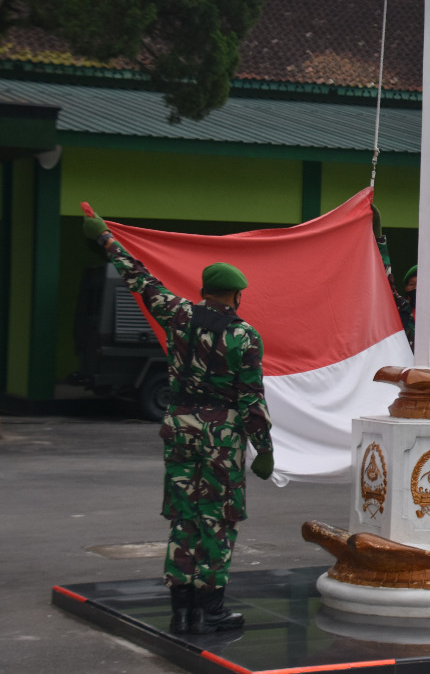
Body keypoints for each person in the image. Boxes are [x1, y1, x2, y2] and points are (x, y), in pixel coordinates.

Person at [82, 208, 273, 635]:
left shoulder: (178, 314)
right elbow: (251, 396)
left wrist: (104, 238)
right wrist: (265, 448)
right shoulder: (245, 336)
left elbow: (138, 276)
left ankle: (182, 609)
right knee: (217, 520)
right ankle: (212, 608)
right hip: (222, 434)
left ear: (206, 291)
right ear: (236, 296)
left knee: (184, 517)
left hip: (181, 427)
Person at [372, 205, 415, 348]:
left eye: (422, 284)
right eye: (412, 284)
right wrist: (377, 235)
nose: (417, 288)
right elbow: (382, 280)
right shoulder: (400, 309)